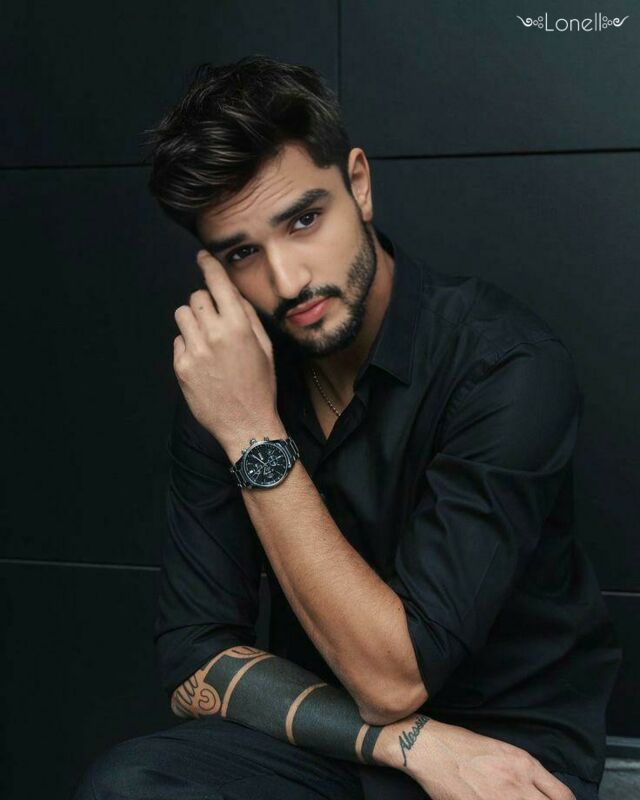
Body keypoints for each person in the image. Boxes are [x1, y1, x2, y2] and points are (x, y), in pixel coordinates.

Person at [72, 54, 622, 800]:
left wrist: (254, 436)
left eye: (304, 220)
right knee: (131, 783)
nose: (288, 280)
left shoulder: (505, 365)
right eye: (243, 253)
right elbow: (196, 658)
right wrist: (407, 745)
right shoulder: (232, 385)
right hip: (329, 735)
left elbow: (395, 679)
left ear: (358, 184)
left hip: (504, 752)